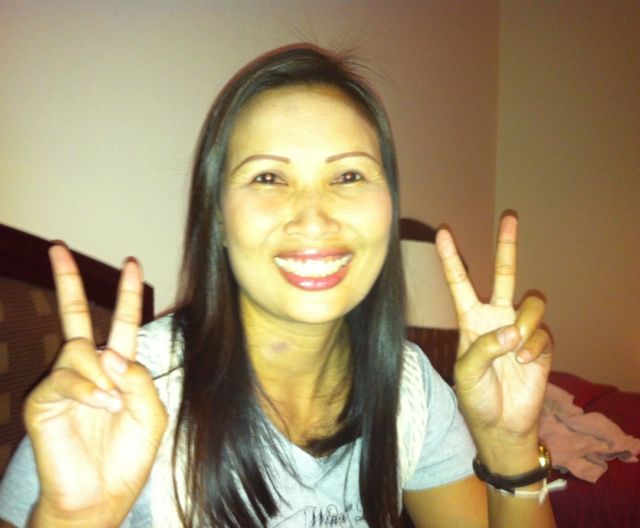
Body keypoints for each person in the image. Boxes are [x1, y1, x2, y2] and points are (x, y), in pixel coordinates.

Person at [0, 44, 558, 527]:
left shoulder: (409, 388)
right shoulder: (112, 402)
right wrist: (72, 519)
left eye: (348, 175)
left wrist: (509, 446)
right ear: (217, 219)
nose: (313, 218)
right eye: (268, 177)